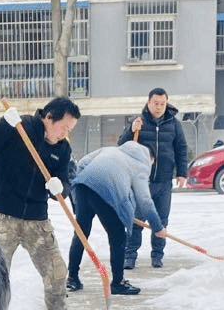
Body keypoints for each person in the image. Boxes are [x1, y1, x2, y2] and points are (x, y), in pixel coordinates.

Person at [0, 97, 81, 310]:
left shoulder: (63, 149)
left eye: (70, 129)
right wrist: (4, 125)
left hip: (37, 219)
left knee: (56, 270)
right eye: (64, 127)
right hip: (3, 215)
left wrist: (60, 188)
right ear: (48, 117)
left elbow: (65, 181)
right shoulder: (20, 128)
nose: (65, 133)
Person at [65, 141, 159, 298]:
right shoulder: (142, 163)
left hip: (82, 186)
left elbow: (82, 164)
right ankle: (118, 283)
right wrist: (157, 226)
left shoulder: (109, 150)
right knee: (118, 236)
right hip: (105, 190)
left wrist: (79, 196)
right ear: (151, 158)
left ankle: (72, 278)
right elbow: (144, 199)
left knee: (81, 234)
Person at [117, 88, 188, 270]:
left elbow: (181, 148)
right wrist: (131, 130)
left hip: (164, 181)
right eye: (155, 103)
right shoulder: (138, 121)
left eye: (162, 103)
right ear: (148, 103)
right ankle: (130, 256)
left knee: (161, 221)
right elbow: (122, 144)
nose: (159, 107)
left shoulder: (174, 124)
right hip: (141, 181)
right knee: (136, 220)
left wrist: (182, 172)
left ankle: (157, 256)